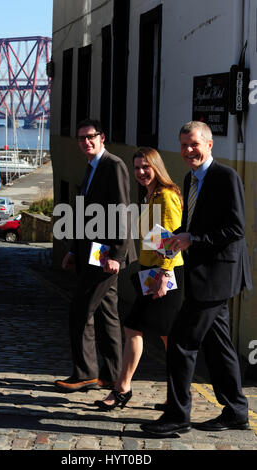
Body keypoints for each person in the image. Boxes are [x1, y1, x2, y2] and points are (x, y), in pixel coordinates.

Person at [141, 121, 252, 437]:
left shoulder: (225, 176)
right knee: (219, 346)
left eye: (194, 144)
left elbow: (235, 229)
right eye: (184, 145)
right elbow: (190, 223)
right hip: (201, 273)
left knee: (180, 341)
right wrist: (171, 239)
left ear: (209, 144)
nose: (189, 151)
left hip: (219, 273)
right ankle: (236, 411)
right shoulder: (190, 178)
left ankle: (177, 415)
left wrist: (194, 239)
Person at [94, 147, 184, 411]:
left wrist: (164, 276)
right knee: (163, 337)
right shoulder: (150, 196)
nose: (141, 172)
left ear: (157, 167)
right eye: (137, 168)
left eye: (146, 167)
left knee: (140, 329)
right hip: (151, 272)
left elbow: (172, 239)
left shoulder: (165, 197)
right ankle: (173, 396)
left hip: (165, 274)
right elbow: (152, 238)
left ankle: (123, 388)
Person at [54, 118, 137, 392]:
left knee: (80, 310)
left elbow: (122, 211)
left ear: (102, 138)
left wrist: (117, 253)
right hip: (92, 252)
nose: (86, 142)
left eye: (91, 136)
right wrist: (74, 252)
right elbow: (85, 215)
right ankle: (112, 374)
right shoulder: (91, 167)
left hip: (106, 254)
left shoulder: (113, 165)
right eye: (81, 138)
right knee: (107, 312)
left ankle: (85, 372)